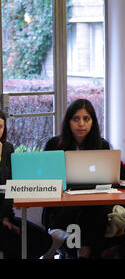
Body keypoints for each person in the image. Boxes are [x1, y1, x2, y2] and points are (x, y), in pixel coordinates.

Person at [41, 99, 125, 259]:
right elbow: (45, 177)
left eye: (86, 119)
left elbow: (117, 178)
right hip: (62, 202)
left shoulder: (102, 145)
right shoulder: (54, 144)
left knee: (94, 207)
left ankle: (83, 251)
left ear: (93, 122)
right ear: (68, 121)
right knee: (76, 208)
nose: (81, 123)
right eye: (76, 119)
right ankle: (78, 250)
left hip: (94, 201)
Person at [0, 109, 53, 259]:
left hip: (6, 217)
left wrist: (5, 218)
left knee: (43, 240)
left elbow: (10, 183)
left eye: (0, 126)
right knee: (16, 246)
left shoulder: (7, 148)